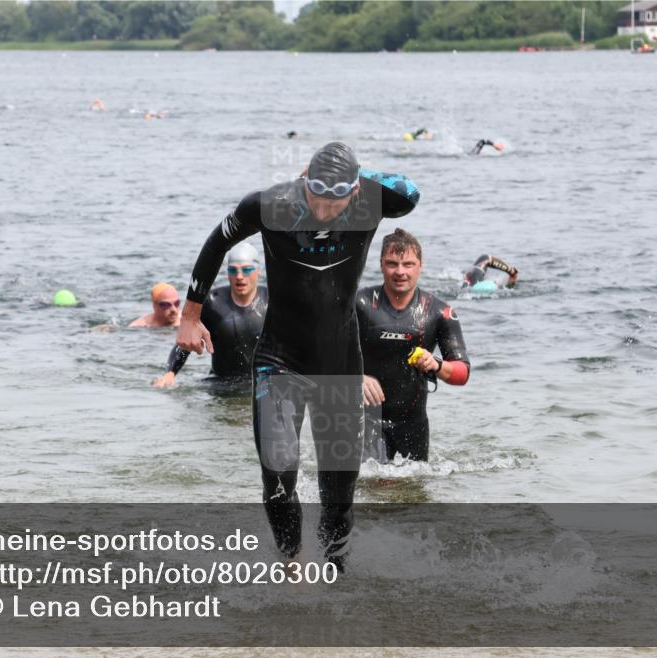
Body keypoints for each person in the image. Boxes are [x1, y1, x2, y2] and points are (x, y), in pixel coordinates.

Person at [175, 142, 419, 569]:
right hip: (279, 361)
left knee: (339, 494)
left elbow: (411, 192)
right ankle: (292, 565)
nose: (324, 210)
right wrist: (190, 317)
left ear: (355, 191)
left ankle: (334, 573)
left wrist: (359, 174)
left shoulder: (371, 200)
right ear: (305, 182)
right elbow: (216, 243)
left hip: (340, 366)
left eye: (335, 200)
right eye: (316, 197)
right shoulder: (273, 205)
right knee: (277, 474)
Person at [357, 229, 470, 463]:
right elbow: (321, 353)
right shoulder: (359, 304)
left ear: (420, 265)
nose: (400, 272)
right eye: (392, 264)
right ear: (380, 265)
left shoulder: (439, 312)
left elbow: (462, 373)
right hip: (366, 420)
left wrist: (436, 364)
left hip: (414, 424)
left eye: (408, 264)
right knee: (375, 488)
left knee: (415, 493)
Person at [154, 242, 268, 387]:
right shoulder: (213, 303)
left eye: (246, 270)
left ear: (259, 271)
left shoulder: (271, 301)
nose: (239, 276)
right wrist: (170, 373)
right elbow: (185, 341)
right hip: (220, 384)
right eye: (233, 271)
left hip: (262, 385)